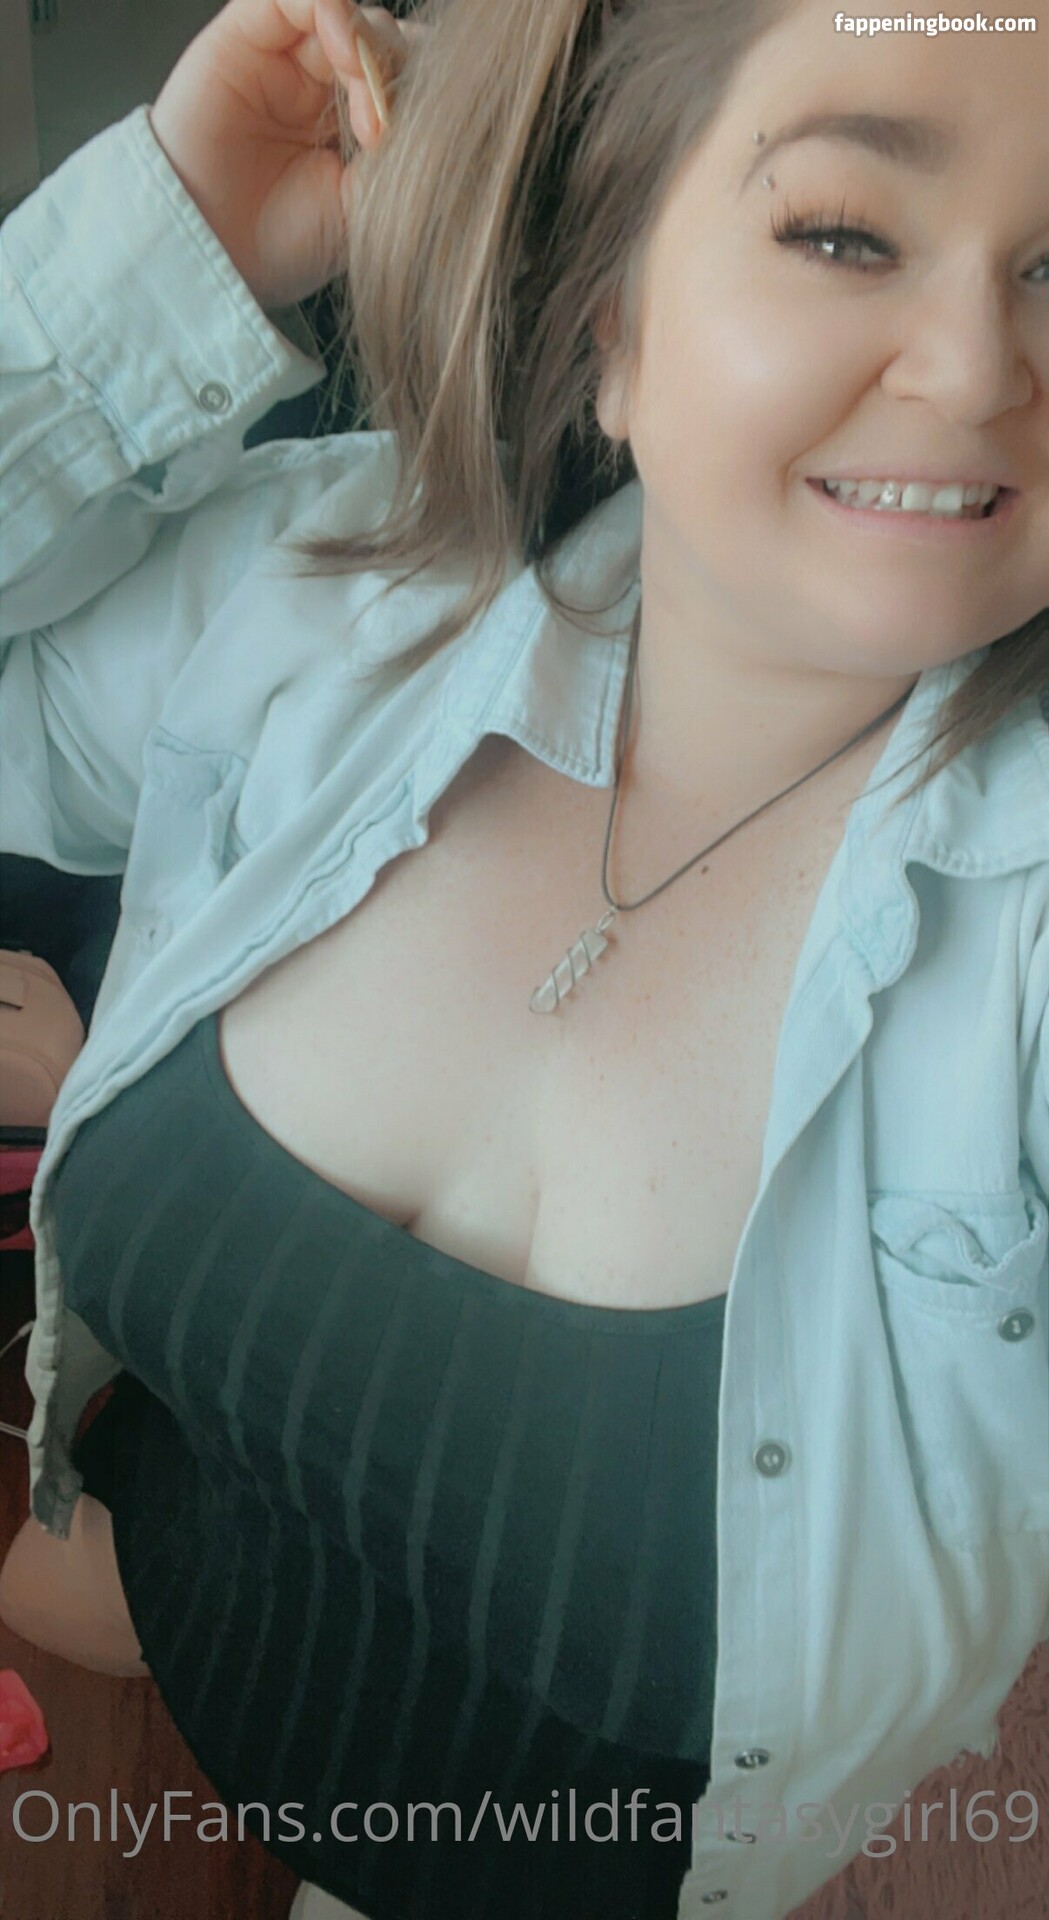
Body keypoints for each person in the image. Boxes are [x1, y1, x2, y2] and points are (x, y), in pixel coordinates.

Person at [1, 1, 1047, 1917]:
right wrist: (161, 250)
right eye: (843, 232)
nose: (980, 365)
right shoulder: (328, 598)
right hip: (157, 1589)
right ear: (609, 314)